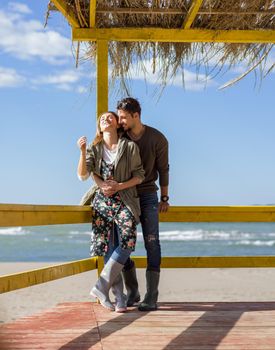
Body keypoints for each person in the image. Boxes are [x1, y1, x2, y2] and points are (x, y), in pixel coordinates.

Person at [77, 111, 144, 313]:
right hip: (102, 203)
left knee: (126, 243)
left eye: (110, 117)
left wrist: (119, 186)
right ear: (99, 127)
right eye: (101, 119)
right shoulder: (94, 149)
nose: (105, 119)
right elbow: (83, 175)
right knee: (108, 247)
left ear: (116, 123)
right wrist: (81, 151)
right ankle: (120, 298)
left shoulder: (129, 147)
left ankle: (101, 286)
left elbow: (140, 176)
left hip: (125, 200)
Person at [116, 97, 169, 311]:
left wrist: (164, 198)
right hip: (124, 196)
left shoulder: (158, 138)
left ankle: (151, 295)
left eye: (123, 117)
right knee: (122, 243)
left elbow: (164, 170)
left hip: (148, 195)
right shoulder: (120, 137)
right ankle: (133, 291)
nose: (120, 121)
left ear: (135, 115)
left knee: (152, 242)